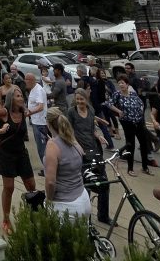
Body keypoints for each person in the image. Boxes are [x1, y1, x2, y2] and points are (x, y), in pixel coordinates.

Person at [0, 85, 36, 235]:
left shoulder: (23, 113)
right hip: (6, 154)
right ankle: (6, 219)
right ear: (11, 98)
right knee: (9, 187)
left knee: (31, 185)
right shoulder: (4, 112)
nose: (21, 98)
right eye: (18, 96)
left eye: (21, 96)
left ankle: (33, 214)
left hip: (21, 153)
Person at [68, 88, 111, 224]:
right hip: (81, 153)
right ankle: (86, 218)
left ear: (86, 99)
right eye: (77, 99)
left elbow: (92, 129)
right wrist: (77, 146)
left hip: (94, 150)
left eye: (82, 99)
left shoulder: (91, 110)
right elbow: (69, 132)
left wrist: (99, 136)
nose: (80, 101)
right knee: (86, 186)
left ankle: (103, 216)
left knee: (104, 183)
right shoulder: (71, 112)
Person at [44, 107, 90, 218]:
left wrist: (49, 201)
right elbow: (81, 154)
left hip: (65, 206)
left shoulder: (52, 145)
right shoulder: (72, 139)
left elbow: (50, 182)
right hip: (83, 198)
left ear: (48, 123)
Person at [109, 77, 151, 176]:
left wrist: (140, 113)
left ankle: (145, 167)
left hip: (138, 121)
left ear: (127, 85)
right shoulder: (117, 95)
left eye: (123, 83)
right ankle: (130, 168)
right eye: (119, 83)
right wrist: (119, 111)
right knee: (130, 145)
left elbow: (140, 103)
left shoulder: (133, 94)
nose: (121, 85)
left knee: (144, 144)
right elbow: (109, 104)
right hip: (127, 123)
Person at [24, 72, 49, 175]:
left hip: (40, 123)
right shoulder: (34, 89)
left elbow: (40, 106)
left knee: (42, 147)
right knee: (41, 147)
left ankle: (47, 169)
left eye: (26, 80)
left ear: (31, 80)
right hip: (35, 121)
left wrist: (29, 113)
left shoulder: (38, 90)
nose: (25, 82)